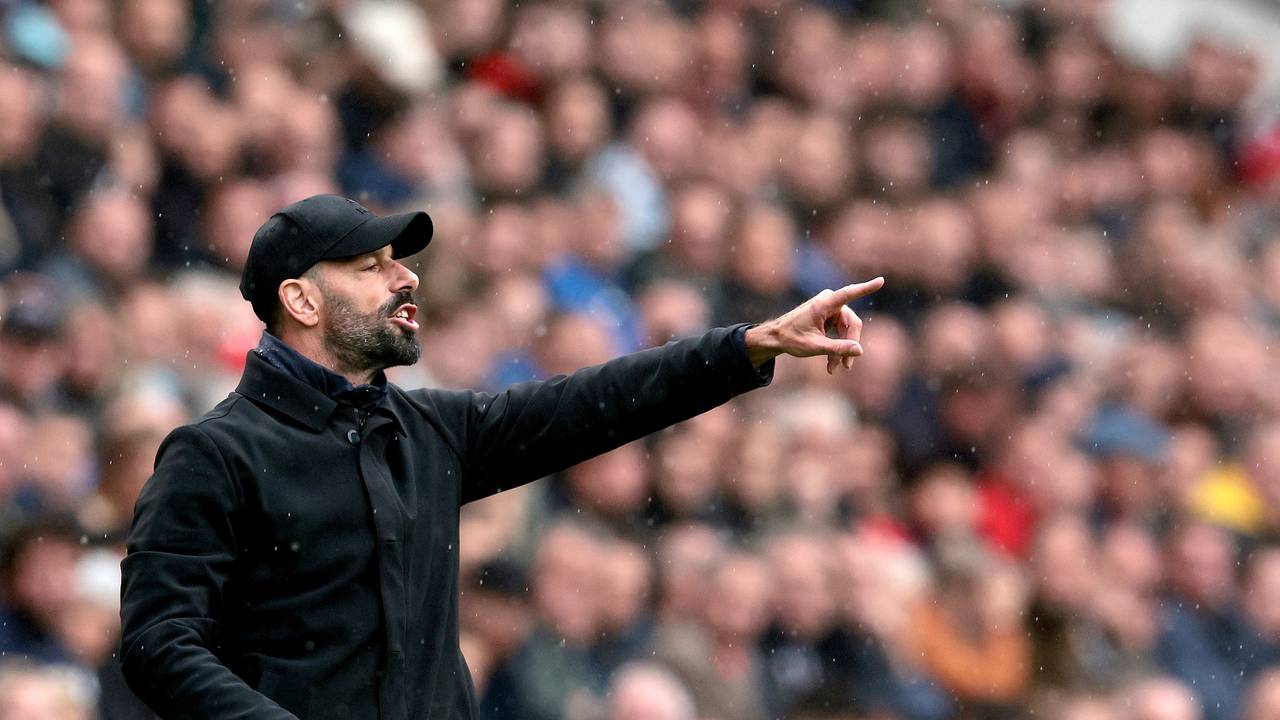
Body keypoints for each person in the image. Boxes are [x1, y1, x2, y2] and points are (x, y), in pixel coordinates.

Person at [117, 194, 884, 720]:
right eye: (370, 265)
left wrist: (748, 345)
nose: (405, 275)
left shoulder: (428, 431)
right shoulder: (213, 454)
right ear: (303, 301)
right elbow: (158, 640)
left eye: (397, 260)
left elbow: (600, 402)